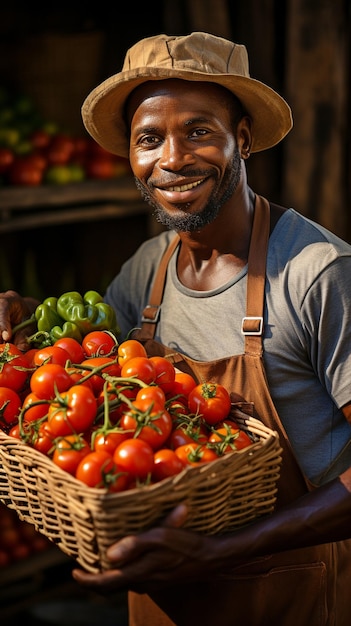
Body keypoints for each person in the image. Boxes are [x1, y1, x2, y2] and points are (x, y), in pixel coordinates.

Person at [1, 31, 351, 626]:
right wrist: (26, 317)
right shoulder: (150, 268)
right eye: (149, 139)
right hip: (167, 596)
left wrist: (220, 550)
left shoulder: (318, 273)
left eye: (198, 131)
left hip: (297, 592)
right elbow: (86, 369)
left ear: (241, 140)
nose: (172, 158)